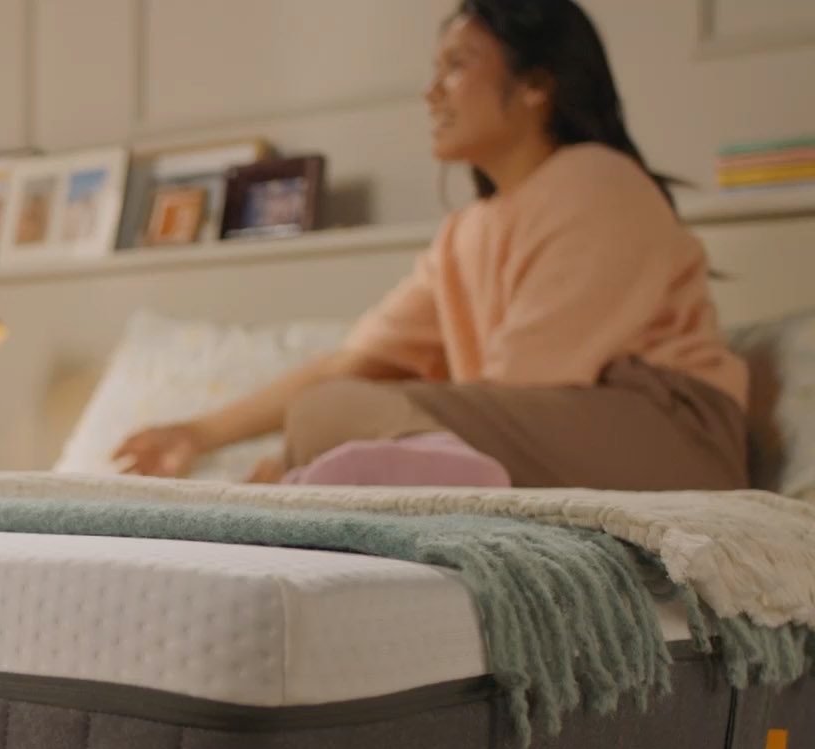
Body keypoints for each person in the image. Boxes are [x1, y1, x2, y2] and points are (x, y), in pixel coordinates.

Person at [115, 0, 750, 491]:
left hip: (669, 437)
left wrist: (298, 456)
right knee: (324, 408)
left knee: (326, 418)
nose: (431, 91)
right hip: (540, 430)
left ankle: (403, 485)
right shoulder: (465, 234)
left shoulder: (596, 180)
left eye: (456, 65)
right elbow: (350, 365)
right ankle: (411, 482)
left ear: (535, 84)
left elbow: (527, 382)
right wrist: (194, 433)